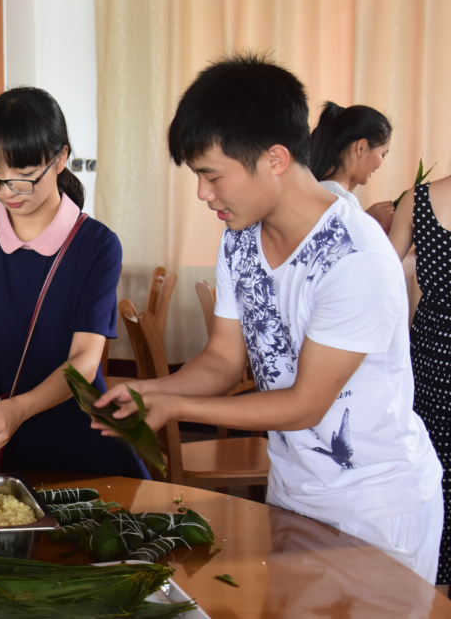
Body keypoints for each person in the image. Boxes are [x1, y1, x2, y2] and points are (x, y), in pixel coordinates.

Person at [94, 53, 443, 583]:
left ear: (275, 158)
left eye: (212, 176)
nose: (203, 194)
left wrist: (174, 405)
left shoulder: (355, 257)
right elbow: (222, 358)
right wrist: (152, 394)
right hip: (293, 492)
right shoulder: (240, 238)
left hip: (375, 507)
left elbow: (305, 405)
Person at [0, 86, 146, 478]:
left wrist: (20, 409)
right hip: (3, 438)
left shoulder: (97, 245)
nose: (7, 192)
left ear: (60, 159)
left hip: (82, 437)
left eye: (23, 177)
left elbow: (84, 362)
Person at [389, 174, 451, 594]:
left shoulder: (419, 200)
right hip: (431, 360)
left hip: (431, 356)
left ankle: (433, 589)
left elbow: (381, 280)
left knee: (435, 475)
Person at [310, 101, 394, 232]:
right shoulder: (343, 202)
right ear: (362, 147)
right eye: (382, 154)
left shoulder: (313, 191)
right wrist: (368, 222)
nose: (380, 164)